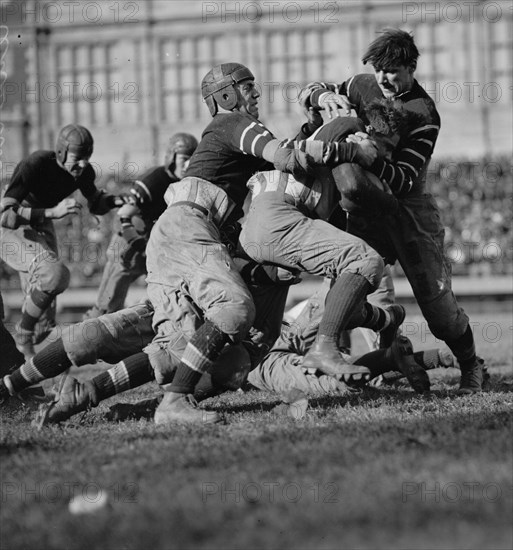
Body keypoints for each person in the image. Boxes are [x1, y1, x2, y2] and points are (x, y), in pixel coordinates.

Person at [145, 62, 386, 425]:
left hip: (187, 229)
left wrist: (313, 124)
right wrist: (354, 152)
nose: (256, 94)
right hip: (190, 226)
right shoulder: (233, 123)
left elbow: (292, 156)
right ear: (226, 94)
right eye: (247, 88)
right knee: (234, 310)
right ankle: (174, 402)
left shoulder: (230, 138)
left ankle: (92, 392)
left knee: (198, 338)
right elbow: (288, 156)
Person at [300, 29, 487, 394]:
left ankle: (471, 367)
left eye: (393, 71)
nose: (383, 78)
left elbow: (402, 179)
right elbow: (315, 90)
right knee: (345, 296)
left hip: (407, 210)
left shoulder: (424, 113)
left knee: (440, 313)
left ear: (412, 68)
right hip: (364, 209)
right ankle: (379, 336)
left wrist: (367, 154)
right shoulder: (361, 84)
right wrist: (323, 95)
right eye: (379, 69)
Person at [0, 124, 120, 358]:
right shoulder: (36, 164)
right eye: (78, 157)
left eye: (87, 157)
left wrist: (117, 200)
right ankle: (21, 337)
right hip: (16, 223)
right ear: (62, 152)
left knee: (43, 327)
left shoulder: (83, 172)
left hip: (41, 223)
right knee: (55, 275)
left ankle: (21, 346)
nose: (83, 163)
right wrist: (52, 213)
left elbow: (95, 203)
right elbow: (5, 216)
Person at [84, 133, 198, 319]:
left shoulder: (188, 183)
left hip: (156, 247)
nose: (188, 165)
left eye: (192, 159)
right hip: (129, 244)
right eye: (184, 159)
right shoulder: (154, 180)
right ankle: (85, 342)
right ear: (172, 157)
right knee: (106, 307)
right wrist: (138, 245)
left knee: (168, 300)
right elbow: (124, 216)